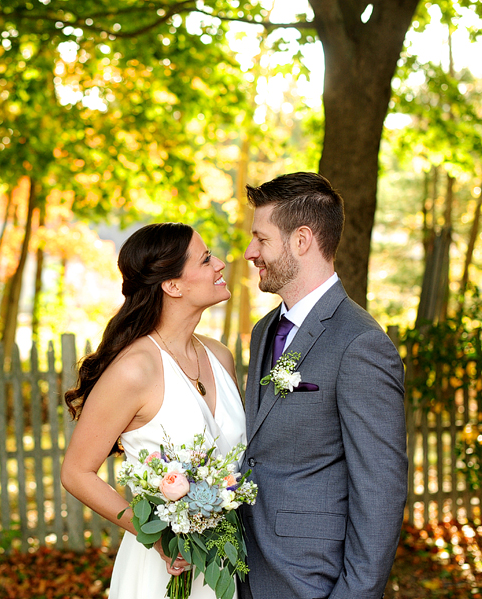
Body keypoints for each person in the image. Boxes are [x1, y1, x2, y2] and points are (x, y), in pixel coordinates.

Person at [238, 172, 408, 599]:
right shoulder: (263, 331)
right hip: (246, 572)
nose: (249, 253)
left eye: (261, 239)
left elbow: (380, 492)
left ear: (301, 240)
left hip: (313, 580)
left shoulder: (361, 344)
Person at [61, 222, 246, 599]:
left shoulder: (220, 356)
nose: (221, 264)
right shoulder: (135, 369)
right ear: (172, 285)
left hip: (229, 562)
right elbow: (76, 472)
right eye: (207, 258)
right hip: (164, 569)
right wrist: (156, 537)